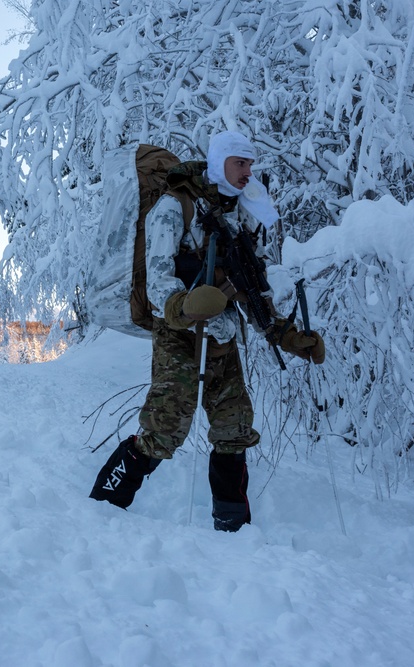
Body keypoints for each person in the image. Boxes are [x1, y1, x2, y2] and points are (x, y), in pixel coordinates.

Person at [89, 131, 326, 532]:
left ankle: (233, 526)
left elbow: (253, 289)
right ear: (219, 163)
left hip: (222, 333)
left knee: (234, 426)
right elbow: (157, 279)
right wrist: (184, 305)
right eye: (240, 163)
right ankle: (104, 504)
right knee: (165, 426)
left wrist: (285, 335)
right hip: (178, 332)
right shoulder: (173, 207)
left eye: (251, 164)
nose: (247, 172)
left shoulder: (240, 215)